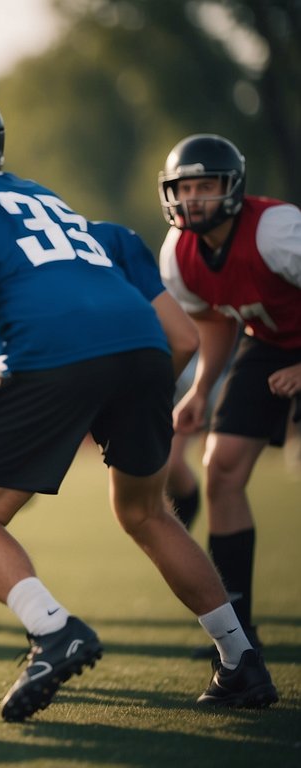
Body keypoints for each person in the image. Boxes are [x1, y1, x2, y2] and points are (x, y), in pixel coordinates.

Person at [0, 87, 276, 721]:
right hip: (145, 350)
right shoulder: (48, 200)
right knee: (149, 514)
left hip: (48, 351)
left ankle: (52, 630)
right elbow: (181, 337)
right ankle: (241, 660)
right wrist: (120, 393)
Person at [157, 133, 301, 657]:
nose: (193, 198)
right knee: (221, 469)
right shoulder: (179, 251)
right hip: (266, 344)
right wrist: (199, 388)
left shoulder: (277, 230)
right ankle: (238, 628)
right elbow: (215, 320)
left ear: (232, 187)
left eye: (204, 186)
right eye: (184, 187)